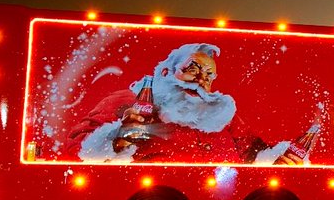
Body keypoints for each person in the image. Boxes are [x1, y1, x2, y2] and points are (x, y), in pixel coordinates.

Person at [70, 43, 281, 163]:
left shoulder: (220, 114)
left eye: (209, 76)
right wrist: (115, 138)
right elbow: (75, 149)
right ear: (166, 72)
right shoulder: (126, 101)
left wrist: (278, 160)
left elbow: (253, 153)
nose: (201, 80)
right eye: (192, 69)